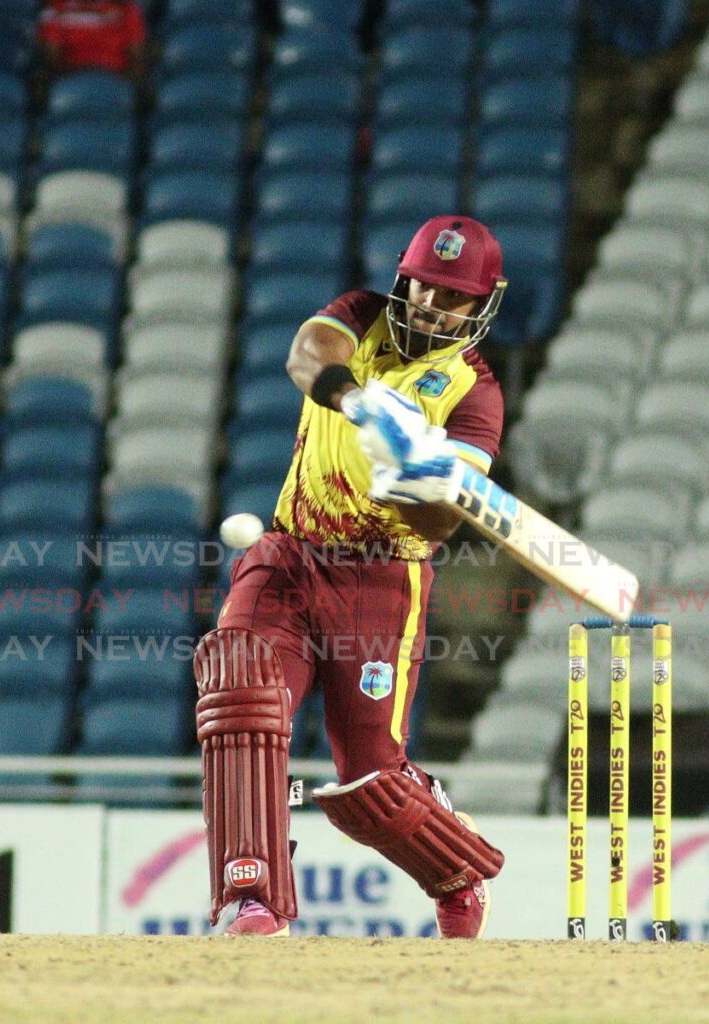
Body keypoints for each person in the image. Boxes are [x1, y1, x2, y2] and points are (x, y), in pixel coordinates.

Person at [194, 215, 510, 938]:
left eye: (451, 297)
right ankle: (253, 896)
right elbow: (308, 355)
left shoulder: (473, 394)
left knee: (372, 778)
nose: (430, 305)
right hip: (288, 551)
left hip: (381, 579)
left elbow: (442, 527)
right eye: (423, 287)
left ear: (481, 305)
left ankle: (455, 870)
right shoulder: (362, 316)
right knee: (240, 696)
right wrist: (357, 400)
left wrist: (415, 477)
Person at [36, 0, 147, 82]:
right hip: (71, 76)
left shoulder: (126, 9)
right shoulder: (55, 8)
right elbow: (51, 56)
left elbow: (136, 56)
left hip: (115, 76)